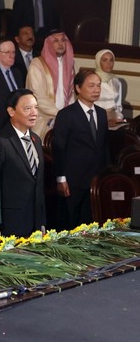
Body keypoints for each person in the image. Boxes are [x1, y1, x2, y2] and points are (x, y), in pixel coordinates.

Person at [53, 70, 109, 228]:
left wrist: (106, 175)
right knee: (71, 223)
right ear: (78, 88)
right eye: (91, 86)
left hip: (96, 180)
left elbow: (104, 146)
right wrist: (61, 178)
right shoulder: (66, 114)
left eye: (98, 86)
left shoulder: (102, 113)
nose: (96, 89)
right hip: (73, 181)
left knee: (92, 223)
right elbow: (59, 148)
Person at [0, 89, 46, 237]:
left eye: (36, 108)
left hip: (36, 222)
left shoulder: (36, 140)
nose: (34, 113)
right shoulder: (1, 140)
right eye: (27, 108)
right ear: (11, 111)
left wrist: (42, 220)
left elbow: (39, 184)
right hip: (11, 222)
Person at [25, 29, 75, 139]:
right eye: (56, 41)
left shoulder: (69, 65)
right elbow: (38, 97)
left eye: (63, 40)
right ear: (48, 43)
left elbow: (72, 95)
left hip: (65, 121)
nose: (60, 44)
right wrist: (60, 115)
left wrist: (69, 115)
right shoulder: (37, 65)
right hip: (43, 120)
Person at [94, 48, 125, 126]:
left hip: (113, 119)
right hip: (96, 118)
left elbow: (118, 105)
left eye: (111, 60)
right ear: (98, 61)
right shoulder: (92, 79)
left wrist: (117, 117)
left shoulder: (116, 81)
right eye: (104, 60)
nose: (109, 63)